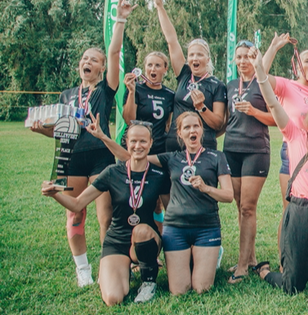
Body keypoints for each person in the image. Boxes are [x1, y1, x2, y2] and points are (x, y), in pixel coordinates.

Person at [29, 0, 128, 286]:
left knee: (105, 216)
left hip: (100, 155)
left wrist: (119, 20)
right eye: (85, 59)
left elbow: (114, 51)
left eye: (94, 60)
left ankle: (106, 266)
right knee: (75, 214)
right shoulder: (66, 96)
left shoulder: (105, 90)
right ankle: (82, 269)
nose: (88, 62)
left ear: (101, 69)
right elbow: (61, 131)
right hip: (70, 156)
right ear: (79, 67)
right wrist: (40, 130)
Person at [90, 111, 234, 294]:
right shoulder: (172, 158)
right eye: (187, 127)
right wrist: (103, 137)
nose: (192, 130)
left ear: (201, 130)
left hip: (206, 227)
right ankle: (192, 257)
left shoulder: (217, 157)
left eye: (196, 126)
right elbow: (131, 157)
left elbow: (229, 195)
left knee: (202, 288)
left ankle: (210, 252)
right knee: (179, 291)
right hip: (176, 228)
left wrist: (207, 188)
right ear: (180, 133)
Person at [42, 120, 169, 305]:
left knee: (141, 231)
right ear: (126, 142)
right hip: (117, 239)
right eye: (133, 141)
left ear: (150, 143)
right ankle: (123, 270)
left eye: (143, 141)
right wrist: (55, 194)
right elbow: (77, 204)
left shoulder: (159, 175)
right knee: (112, 298)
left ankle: (148, 282)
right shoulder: (112, 172)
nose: (138, 146)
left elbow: (172, 212)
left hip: (144, 238)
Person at [252, 51, 308, 295]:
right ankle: (267, 273)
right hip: (300, 209)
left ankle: (306, 267)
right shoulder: (294, 133)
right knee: (293, 286)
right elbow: (272, 101)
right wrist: (260, 70)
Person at [258, 33, 308, 256]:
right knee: (290, 210)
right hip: (293, 153)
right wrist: (274, 47)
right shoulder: (287, 86)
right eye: (307, 60)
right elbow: (261, 75)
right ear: (297, 65)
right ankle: (284, 260)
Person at [222, 41, 276, 283]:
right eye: (239, 57)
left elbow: (275, 118)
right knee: (239, 206)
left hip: (255, 150)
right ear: (234, 60)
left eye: (248, 56)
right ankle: (250, 257)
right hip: (231, 149)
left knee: (247, 207)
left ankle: (242, 267)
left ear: (255, 58)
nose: (243, 61)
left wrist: (254, 111)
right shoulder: (231, 85)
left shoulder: (263, 84)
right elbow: (224, 120)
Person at [154, 0, 227, 152]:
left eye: (200, 55)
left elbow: (218, 123)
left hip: (203, 145)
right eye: (192, 55)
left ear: (207, 59)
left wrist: (201, 107)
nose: (195, 58)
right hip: (175, 143)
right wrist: (160, 7)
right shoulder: (184, 74)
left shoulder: (217, 85)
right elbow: (172, 40)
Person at [122, 52, 175, 155]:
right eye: (149, 65)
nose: (153, 69)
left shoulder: (170, 94)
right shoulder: (135, 88)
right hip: (134, 148)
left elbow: (167, 125)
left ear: (165, 69)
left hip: (157, 149)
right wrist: (132, 92)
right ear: (144, 68)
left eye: (157, 65)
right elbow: (129, 120)